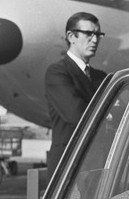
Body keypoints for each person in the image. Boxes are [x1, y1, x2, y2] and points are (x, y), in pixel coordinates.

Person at [44, 12, 108, 178]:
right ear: (71, 36)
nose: (95, 40)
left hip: (97, 166)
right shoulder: (57, 72)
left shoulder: (101, 77)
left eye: (98, 35)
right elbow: (76, 114)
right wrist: (109, 117)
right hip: (68, 165)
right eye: (89, 34)